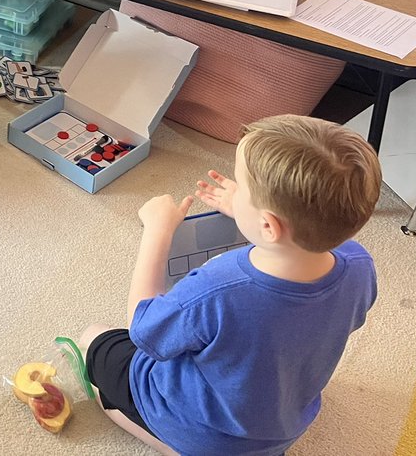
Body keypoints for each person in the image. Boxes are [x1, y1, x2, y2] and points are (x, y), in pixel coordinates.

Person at [79, 115, 381, 456]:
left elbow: (143, 329)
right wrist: (249, 207)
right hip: (283, 429)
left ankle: (177, 446)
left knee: (95, 338)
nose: (235, 191)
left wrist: (157, 231)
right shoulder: (359, 265)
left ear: (268, 225)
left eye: (241, 187)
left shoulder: (217, 285)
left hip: (207, 436)